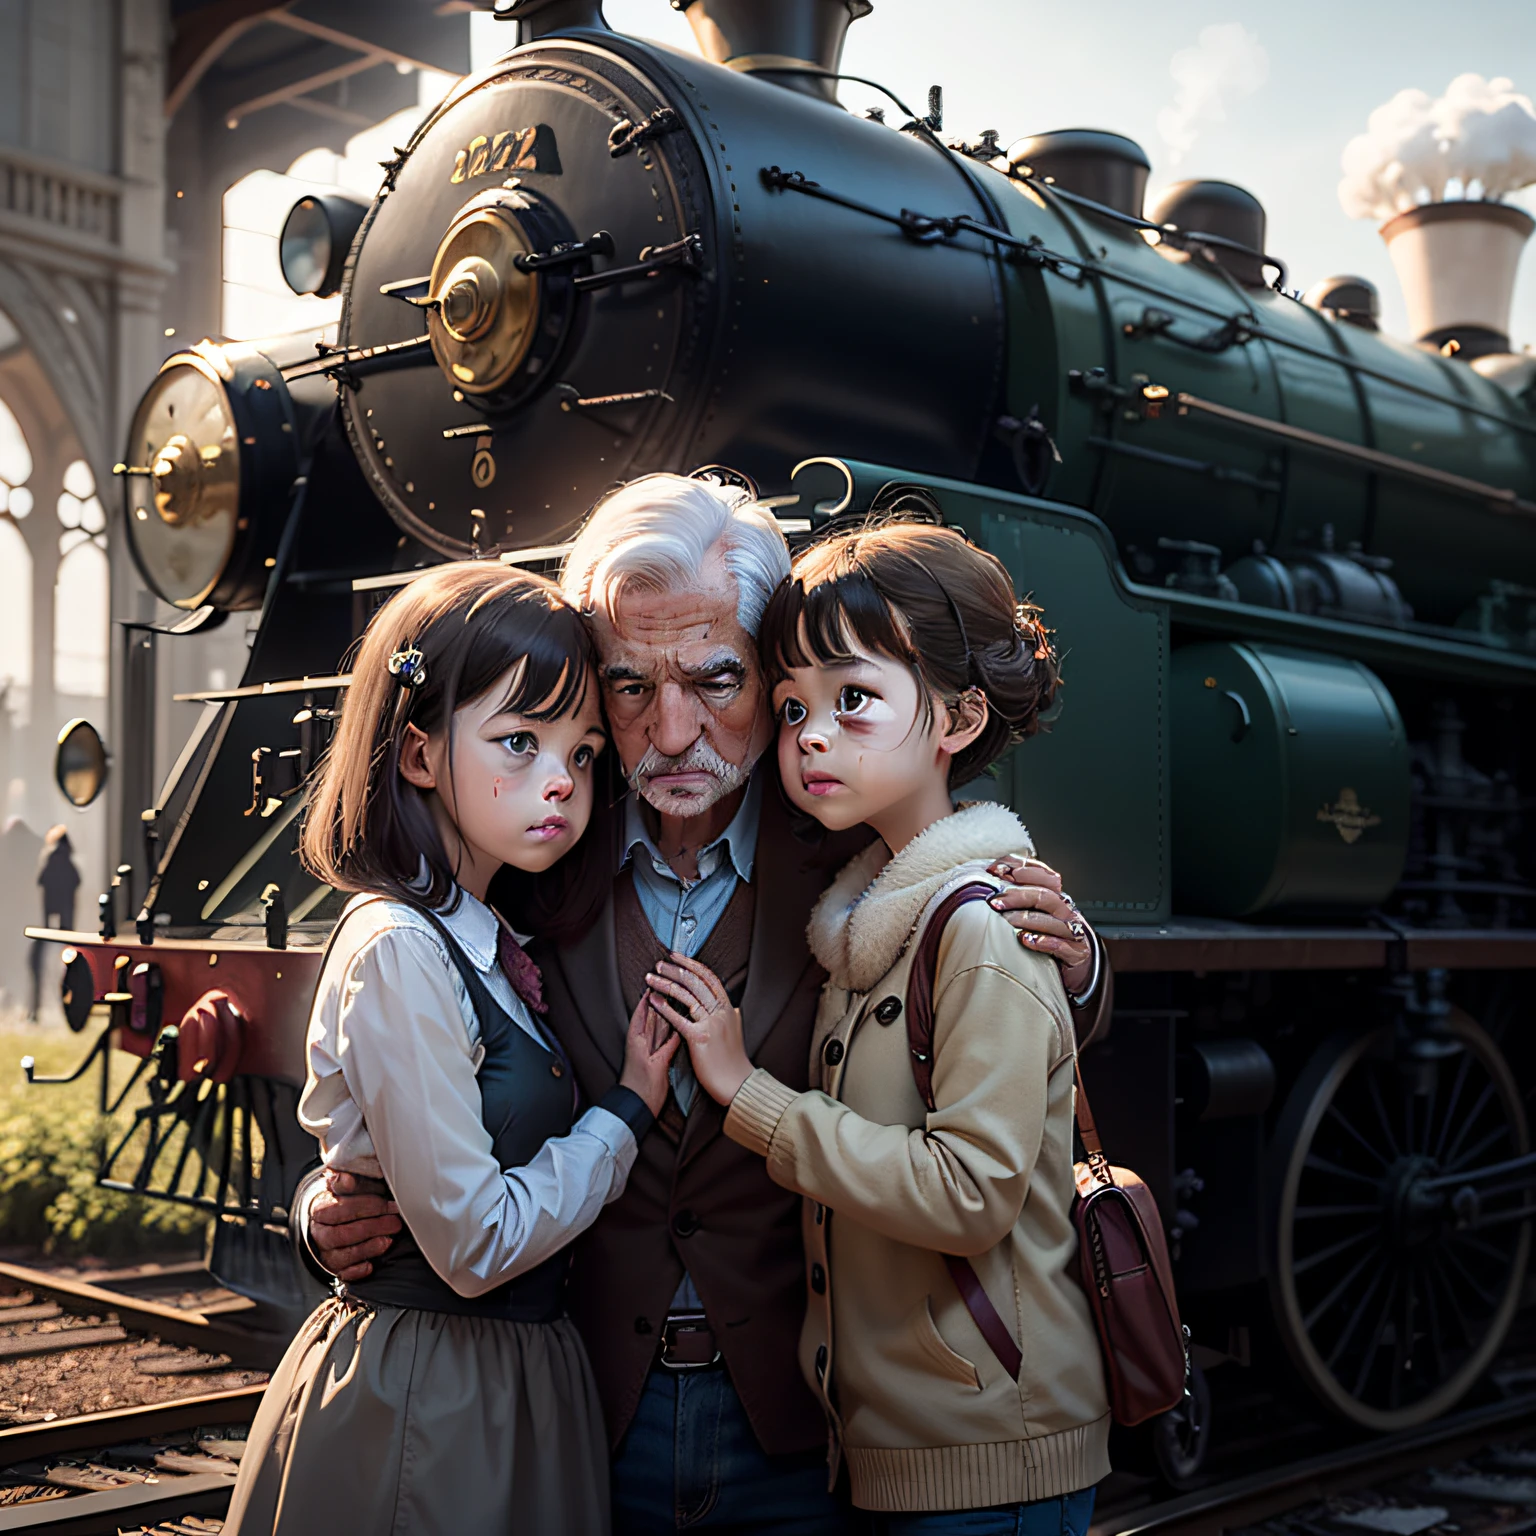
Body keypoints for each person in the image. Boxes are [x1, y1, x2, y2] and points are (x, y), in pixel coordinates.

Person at [306, 475, 1108, 1535]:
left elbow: (985, 994)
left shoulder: (860, 831)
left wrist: (1078, 958)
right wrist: (340, 1207)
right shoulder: (530, 846)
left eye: (717, 679)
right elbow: (408, 1054)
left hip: (807, 1420)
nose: (673, 731)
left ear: (773, 664)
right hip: (588, 1413)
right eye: (629, 688)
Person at [652, 522, 1110, 1533]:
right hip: (903, 1444)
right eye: (790, 706)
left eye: (852, 699)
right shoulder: (868, 920)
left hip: (992, 1454)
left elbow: (969, 1195)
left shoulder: (982, 924)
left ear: (957, 715)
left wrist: (747, 1096)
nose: (810, 733)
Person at [224, 564, 678, 1536]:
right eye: (520, 742)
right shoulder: (399, 947)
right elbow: (472, 1243)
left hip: (513, 1379)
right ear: (421, 754)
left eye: (586, 752)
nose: (562, 779)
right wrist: (626, 1113)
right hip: (429, 1398)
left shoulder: (485, 927)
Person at [31, 825, 79, 1019]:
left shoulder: (50, 860)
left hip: (50, 922)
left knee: (40, 962)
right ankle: (67, 1006)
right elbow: (76, 881)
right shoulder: (68, 864)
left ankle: (37, 1010)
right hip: (65, 923)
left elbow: (41, 881)